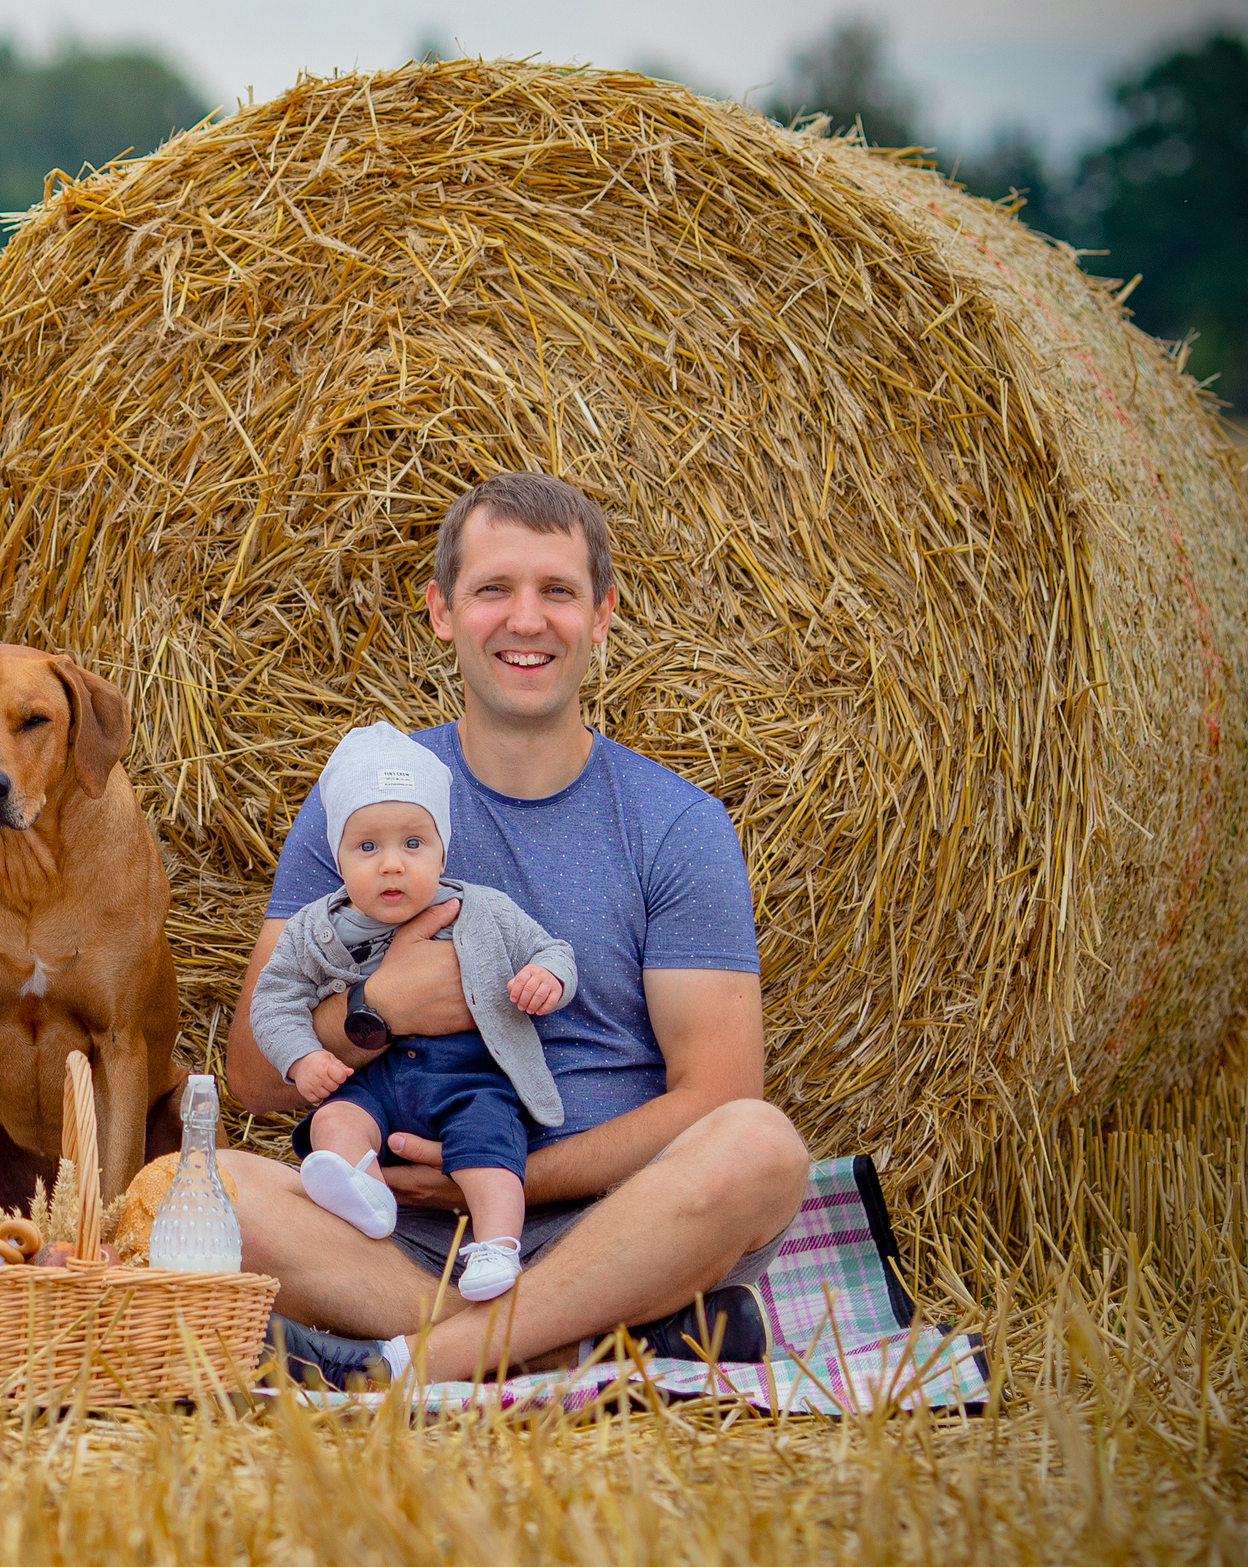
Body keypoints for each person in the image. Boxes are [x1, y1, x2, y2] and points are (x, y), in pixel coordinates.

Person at [224, 472, 811, 1386]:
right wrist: (380, 1007)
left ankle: (417, 1361)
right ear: (442, 612)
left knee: (761, 1146)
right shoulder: (367, 797)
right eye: (494, 589)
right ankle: (574, 1340)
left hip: (614, 1224)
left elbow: (716, 1092)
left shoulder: (674, 823)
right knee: (214, 1188)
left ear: (604, 614)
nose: (526, 620)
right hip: (396, 1232)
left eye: (558, 591)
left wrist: (498, 1177)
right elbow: (256, 1077)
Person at [249, 722, 575, 1303]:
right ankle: (365, 1190)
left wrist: (545, 978)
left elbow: (553, 949)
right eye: (367, 847)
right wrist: (301, 1059)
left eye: (413, 844)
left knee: (491, 1150)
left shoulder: (484, 909)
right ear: (338, 857)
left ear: (443, 848)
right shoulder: (313, 930)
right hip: (372, 1080)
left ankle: (497, 1247)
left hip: (468, 1079)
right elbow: (274, 1000)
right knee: (333, 1123)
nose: (392, 865)